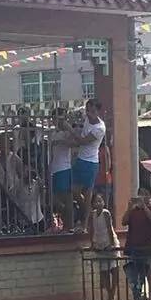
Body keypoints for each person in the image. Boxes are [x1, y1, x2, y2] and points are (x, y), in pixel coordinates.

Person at [72, 98, 106, 233]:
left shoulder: (99, 128)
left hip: (90, 162)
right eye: (87, 110)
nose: (89, 114)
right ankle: (88, 211)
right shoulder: (86, 119)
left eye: (92, 111)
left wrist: (69, 129)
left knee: (87, 193)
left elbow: (82, 141)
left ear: (98, 112)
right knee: (74, 191)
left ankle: (85, 224)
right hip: (80, 159)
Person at [122, 187, 151, 300]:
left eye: (145, 194)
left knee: (150, 275)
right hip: (133, 248)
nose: (142, 197)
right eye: (140, 194)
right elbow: (124, 221)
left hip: (147, 248)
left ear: (149, 196)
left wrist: (144, 206)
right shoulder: (133, 210)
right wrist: (129, 208)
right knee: (135, 277)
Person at [48, 109, 74, 231]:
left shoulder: (67, 133)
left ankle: (69, 226)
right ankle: (63, 224)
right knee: (55, 198)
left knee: (66, 197)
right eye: (54, 118)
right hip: (55, 168)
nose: (56, 121)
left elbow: (74, 142)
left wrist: (67, 129)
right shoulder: (53, 134)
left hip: (64, 167)